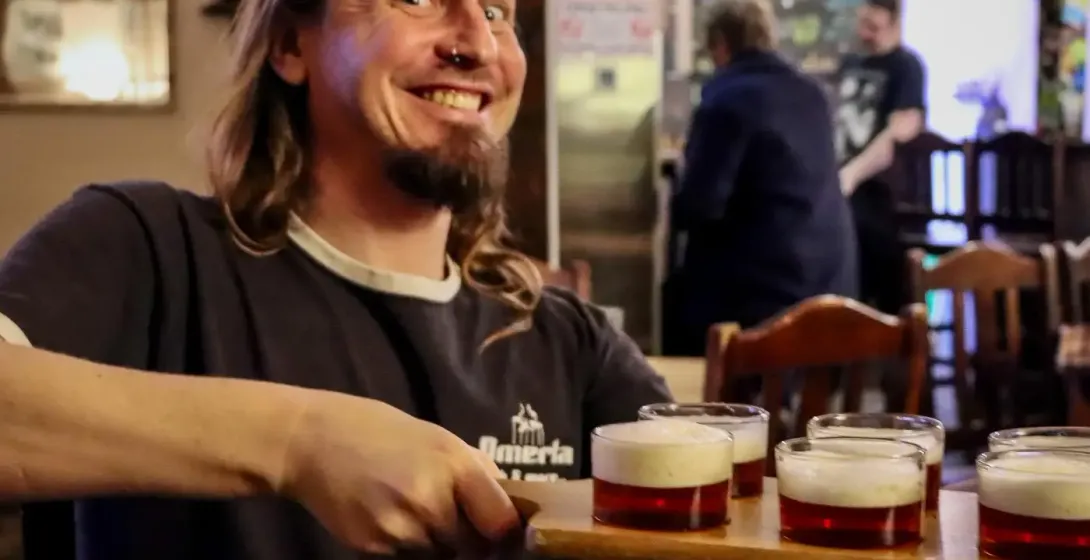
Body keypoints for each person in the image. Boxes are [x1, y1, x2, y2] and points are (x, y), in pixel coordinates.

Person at [0, 0, 672, 558]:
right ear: (291, 43)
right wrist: (297, 444)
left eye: (499, 10)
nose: (477, 41)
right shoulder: (146, 248)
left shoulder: (568, 340)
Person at [670, 0, 857, 357]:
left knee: (681, 293)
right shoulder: (813, 94)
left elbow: (698, 207)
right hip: (833, 289)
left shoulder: (726, 100)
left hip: (764, 305)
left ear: (721, 45)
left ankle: (694, 400)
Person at [836, 0, 926, 316]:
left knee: (867, 233)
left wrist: (851, 175)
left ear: (892, 19)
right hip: (842, 186)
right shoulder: (849, 64)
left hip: (880, 192)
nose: (864, 30)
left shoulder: (906, 67)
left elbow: (900, 130)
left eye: (872, 23)